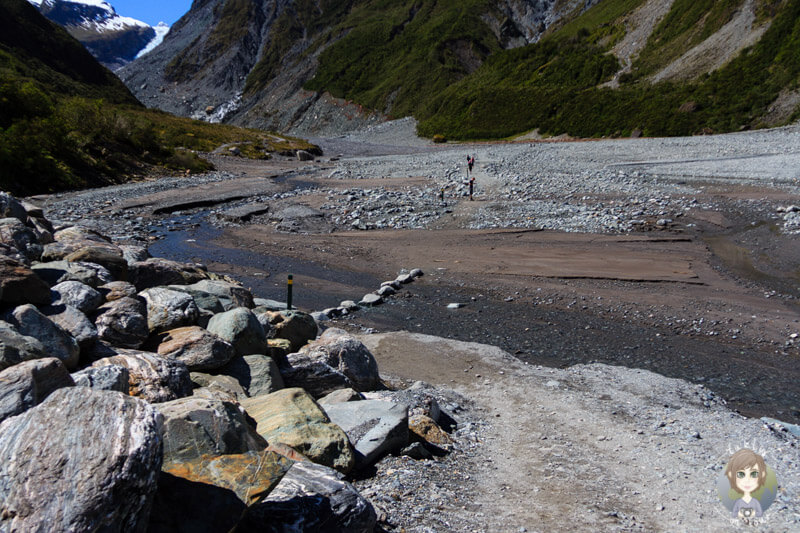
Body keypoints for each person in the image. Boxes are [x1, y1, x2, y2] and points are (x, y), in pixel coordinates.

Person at [725, 449, 767, 521]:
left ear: (762, 475)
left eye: (754, 474)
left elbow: (760, 513)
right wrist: (740, 514)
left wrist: (753, 514)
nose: (747, 480)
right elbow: (734, 514)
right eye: (740, 474)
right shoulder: (739, 502)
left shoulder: (755, 502)